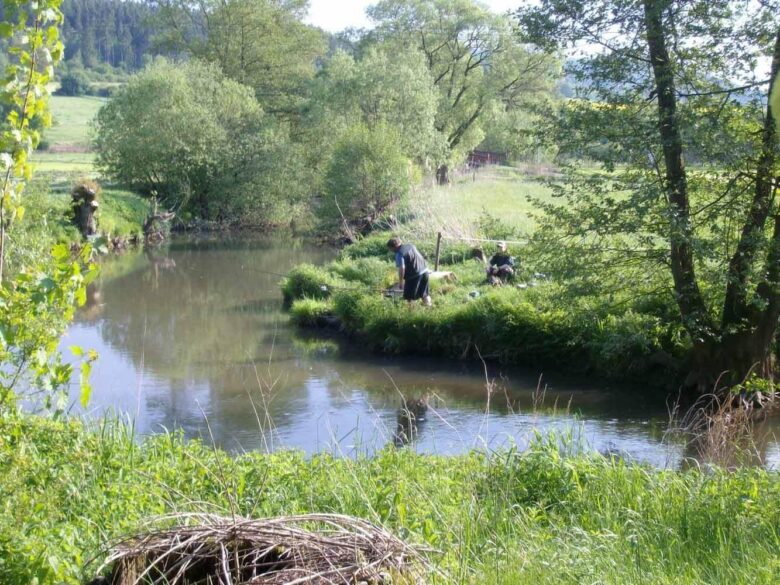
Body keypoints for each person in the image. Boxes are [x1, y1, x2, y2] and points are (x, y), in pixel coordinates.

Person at [387, 237, 432, 306]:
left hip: (414, 276)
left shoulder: (399, 254)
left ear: (393, 247)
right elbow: (419, 256)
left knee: (409, 298)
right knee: (424, 294)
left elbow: (402, 268)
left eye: (390, 249)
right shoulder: (411, 246)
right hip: (425, 272)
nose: (390, 250)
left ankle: (411, 315)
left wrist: (401, 282)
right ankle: (429, 308)